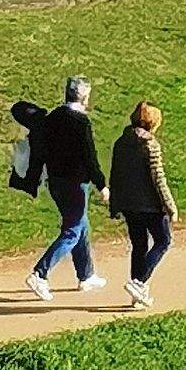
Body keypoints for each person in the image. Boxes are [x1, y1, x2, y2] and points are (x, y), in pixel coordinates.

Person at [20, 77, 108, 301]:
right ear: (85, 97)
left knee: (81, 224)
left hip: (56, 182)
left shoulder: (53, 118)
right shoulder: (81, 123)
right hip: (75, 184)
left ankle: (86, 275)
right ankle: (40, 274)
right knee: (73, 230)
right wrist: (102, 185)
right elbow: (90, 158)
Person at [109, 99, 179, 309]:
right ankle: (138, 283)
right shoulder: (150, 144)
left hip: (129, 205)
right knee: (163, 241)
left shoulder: (121, 143)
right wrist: (170, 207)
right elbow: (159, 179)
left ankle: (137, 294)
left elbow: (115, 175)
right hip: (151, 206)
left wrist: (115, 204)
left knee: (139, 246)